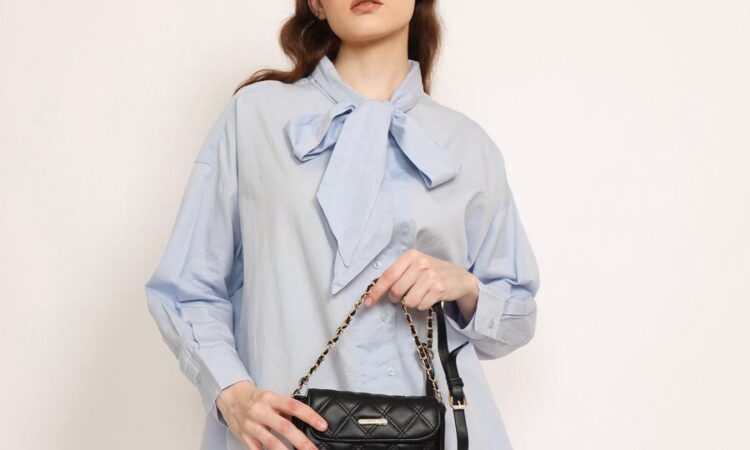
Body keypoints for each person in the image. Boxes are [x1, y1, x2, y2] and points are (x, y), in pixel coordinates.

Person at [144, 0, 541, 449]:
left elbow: (517, 316)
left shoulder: (468, 145)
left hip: (441, 435)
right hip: (286, 438)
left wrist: (464, 286)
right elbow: (188, 288)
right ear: (316, 3)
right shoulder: (254, 117)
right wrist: (231, 392)